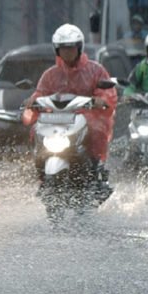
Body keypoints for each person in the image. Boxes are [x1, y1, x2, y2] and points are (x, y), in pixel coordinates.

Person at [24, 23, 117, 195]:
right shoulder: (50, 74)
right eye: (63, 49)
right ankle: (42, 173)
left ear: (79, 48)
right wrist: (33, 101)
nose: (67, 52)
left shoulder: (95, 70)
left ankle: (96, 168)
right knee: (35, 130)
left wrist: (100, 99)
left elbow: (107, 92)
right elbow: (41, 92)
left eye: (71, 48)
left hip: (86, 118)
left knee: (96, 130)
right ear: (57, 50)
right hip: (56, 120)